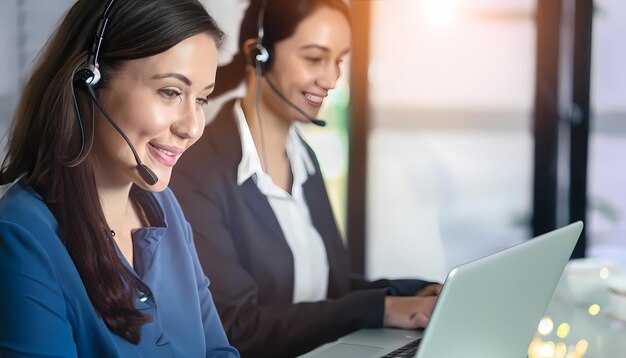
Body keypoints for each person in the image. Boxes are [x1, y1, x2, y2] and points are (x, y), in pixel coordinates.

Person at [170, 0, 441, 356]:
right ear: (258, 55)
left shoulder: (304, 158)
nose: (331, 79)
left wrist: (412, 293)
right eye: (315, 58)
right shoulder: (197, 170)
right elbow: (234, 327)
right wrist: (381, 309)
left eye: (339, 60)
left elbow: (328, 289)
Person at [0, 0, 239, 356]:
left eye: (201, 99)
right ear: (89, 82)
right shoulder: (22, 237)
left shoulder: (162, 208)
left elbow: (217, 351)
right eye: (171, 92)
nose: (191, 126)